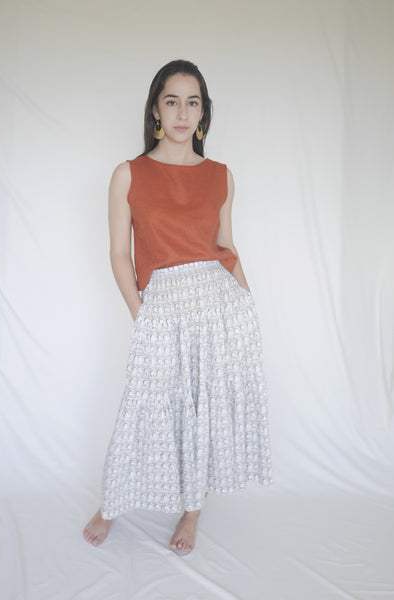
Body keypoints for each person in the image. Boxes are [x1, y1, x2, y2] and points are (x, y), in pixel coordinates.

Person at [83, 59, 273, 555]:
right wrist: (140, 314)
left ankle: (192, 512)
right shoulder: (128, 174)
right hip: (162, 307)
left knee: (203, 410)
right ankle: (112, 502)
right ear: (155, 110)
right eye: (172, 101)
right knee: (144, 407)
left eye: (193, 102)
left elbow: (226, 248)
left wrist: (248, 312)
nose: (182, 112)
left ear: (204, 113)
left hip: (220, 307)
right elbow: (119, 254)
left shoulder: (221, 176)